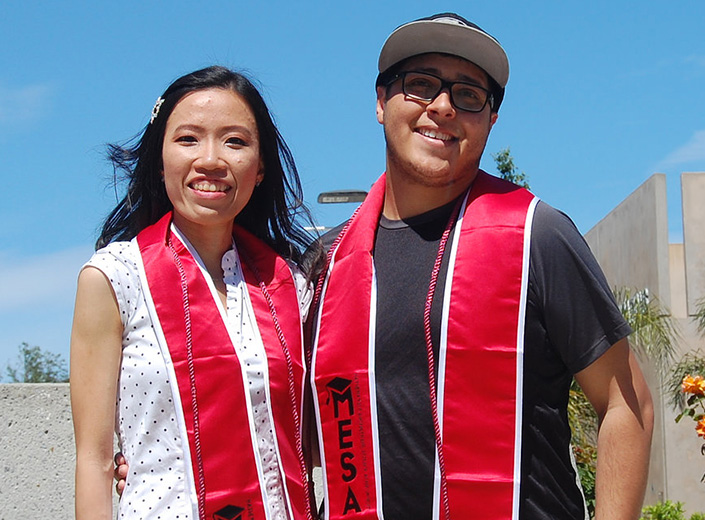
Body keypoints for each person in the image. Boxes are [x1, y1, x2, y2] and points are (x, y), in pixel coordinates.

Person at [308, 13, 654, 520]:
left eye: (469, 94)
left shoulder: (538, 235)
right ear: (381, 103)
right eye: (420, 85)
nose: (444, 107)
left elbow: (628, 405)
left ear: (491, 119)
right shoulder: (325, 264)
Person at [70, 66, 317, 520]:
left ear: (260, 168)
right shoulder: (114, 278)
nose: (211, 159)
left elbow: (311, 438)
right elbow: (95, 461)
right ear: (160, 159)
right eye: (188, 139)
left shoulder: (291, 286)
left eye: (235, 141)